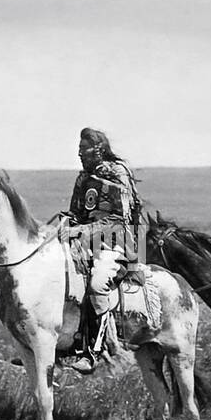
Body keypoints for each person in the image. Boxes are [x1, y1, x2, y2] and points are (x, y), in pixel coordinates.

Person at [65, 127, 142, 373]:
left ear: (98, 149)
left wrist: (81, 232)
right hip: (85, 243)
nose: (79, 154)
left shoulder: (117, 174)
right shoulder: (82, 178)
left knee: (97, 284)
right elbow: (76, 214)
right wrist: (66, 225)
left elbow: (120, 219)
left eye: (83, 149)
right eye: (78, 149)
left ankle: (92, 353)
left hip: (116, 244)